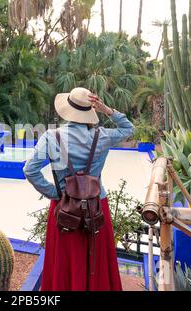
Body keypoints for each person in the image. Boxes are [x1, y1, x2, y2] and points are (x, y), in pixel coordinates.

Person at [23, 87, 135, 291]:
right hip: (96, 206)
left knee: (66, 258)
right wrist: (107, 110)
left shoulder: (51, 136)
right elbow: (129, 129)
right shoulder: (102, 136)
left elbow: (30, 170)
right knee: (95, 258)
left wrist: (56, 193)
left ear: (67, 109)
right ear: (90, 110)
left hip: (65, 207)